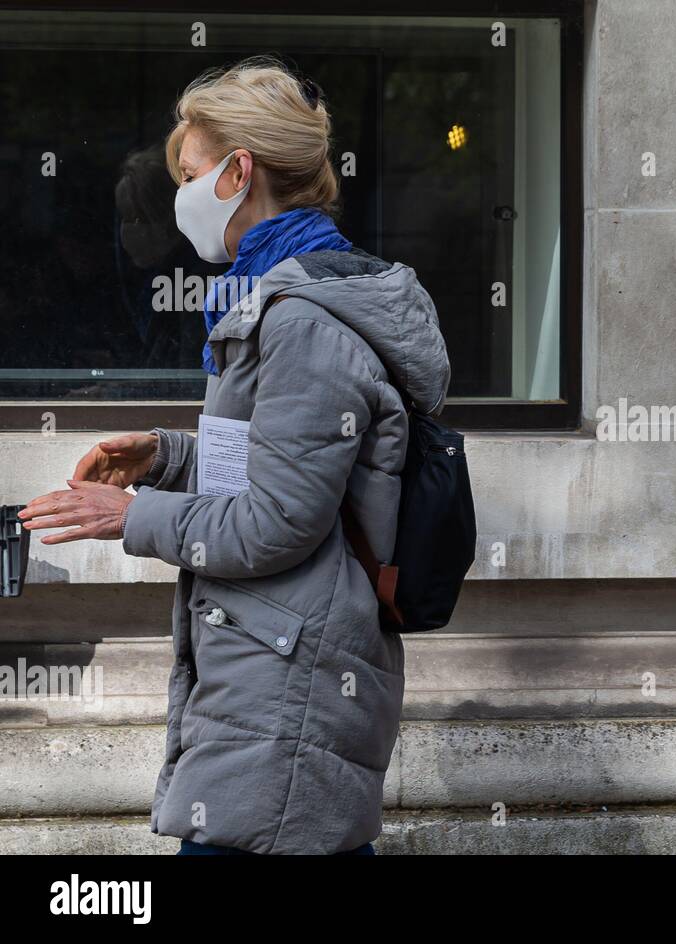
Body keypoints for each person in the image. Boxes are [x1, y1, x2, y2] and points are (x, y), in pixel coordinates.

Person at [20, 56, 451, 855]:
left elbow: (277, 521)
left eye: (188, 173)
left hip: (289, 689)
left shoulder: (303, 321)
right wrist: (164, 456)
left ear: (237, 171)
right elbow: (279, 463)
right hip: (271, 672)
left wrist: (131, 515)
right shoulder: (285, 297)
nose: (179, 193)